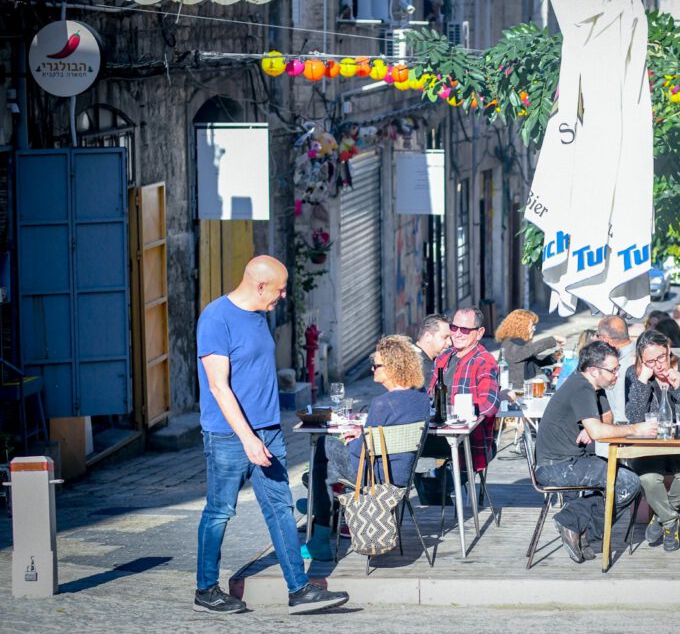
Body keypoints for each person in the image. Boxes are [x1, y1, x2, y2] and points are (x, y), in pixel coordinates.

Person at [194, 255, 348, 615]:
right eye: (279, 290)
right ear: (259, 285)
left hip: (269, 431)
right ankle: (205, 589)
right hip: (229, 437)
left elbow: (256, 375)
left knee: (279, 509)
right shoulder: (216, 319)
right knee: (219, 511)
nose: (282, 296)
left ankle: (299, 589)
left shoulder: (260, 315)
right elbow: (219, 387)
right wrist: (248, 439)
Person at [534, 341, 657, 563]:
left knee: (624, 481)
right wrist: (635, 429)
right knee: (628, 483)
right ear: (593, 370)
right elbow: (601, 429)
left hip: (570, 461)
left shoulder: (594, 388)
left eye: (617, 368)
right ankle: (573, 522)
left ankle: (580, 530)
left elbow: (606, 419)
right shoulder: (581, 388)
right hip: (556, 467)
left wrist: (593, 430)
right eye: (612, 370)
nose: (617, 375)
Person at [307, 336, 433, 554]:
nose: (372, 368)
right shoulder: (421, 399)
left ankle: (320, 526)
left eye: (377, 365)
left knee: (323, 446)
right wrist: (363, 434)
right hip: (402, 474)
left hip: (375, 476)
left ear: (393, 367)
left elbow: (360, 453)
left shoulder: (382, 404)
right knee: (324, 472)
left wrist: (352, 440)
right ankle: (319, 506)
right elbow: (379, 438)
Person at [624, 329, 680, 551]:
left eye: (661, 357)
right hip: (649, 448)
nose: (658, 365)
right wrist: (642, 383)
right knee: (649, 479)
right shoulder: (634, 375)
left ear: (669, 350)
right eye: (650, 361)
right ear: (641, 359)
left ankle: (660, 518)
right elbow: (633, 418)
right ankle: (670, 521)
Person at [425, 307, 501, 473]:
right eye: (454, 327)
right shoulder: (444, 357)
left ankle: (436, 485)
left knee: (431, 474)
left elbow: (490, 404)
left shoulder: (484, 362)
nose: (457, 334)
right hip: (436, 432)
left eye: (465, 329)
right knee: (399, 448)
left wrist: (456, 410)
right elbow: (430, 395)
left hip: (467, 442)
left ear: (479, 333)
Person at [496, 309, 565, 391]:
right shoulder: (509, 345)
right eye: (532, 325)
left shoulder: (519, 344)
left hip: (531, 388)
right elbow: (529, 351)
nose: (534, 329)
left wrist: (554, 357)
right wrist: (553, 340)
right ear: (521, 326)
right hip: (518, 392)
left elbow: (533, 360)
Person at [596, 315, 634, 421]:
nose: (595, 339)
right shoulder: (641, 352)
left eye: (597, 335)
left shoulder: (616, 366)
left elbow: (620, 415)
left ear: (605, 340)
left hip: (622, 431)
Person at [413, 314, 451, 391]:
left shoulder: (411, 355)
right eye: (445, 337)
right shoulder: (421, 366)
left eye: (450, 338)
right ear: (427, 336)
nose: (450, 342)